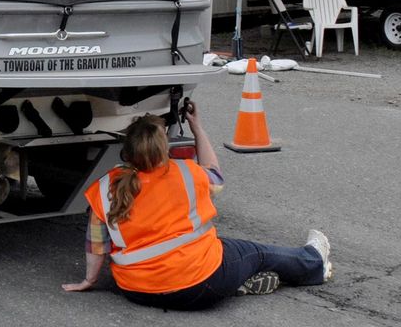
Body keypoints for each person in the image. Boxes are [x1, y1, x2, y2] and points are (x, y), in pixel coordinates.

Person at [62, 101, 333, 310]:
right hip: (203, 284)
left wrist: (88, 281)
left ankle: (238, 283)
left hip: (138, 291)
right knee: (256, 253)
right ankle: (314, 262)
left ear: (127, 152)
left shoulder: (106, 187)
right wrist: (198, 129)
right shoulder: (185, 173)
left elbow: (96, 247)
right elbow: (216, 175)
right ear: (162, 149)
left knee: (217, 250)